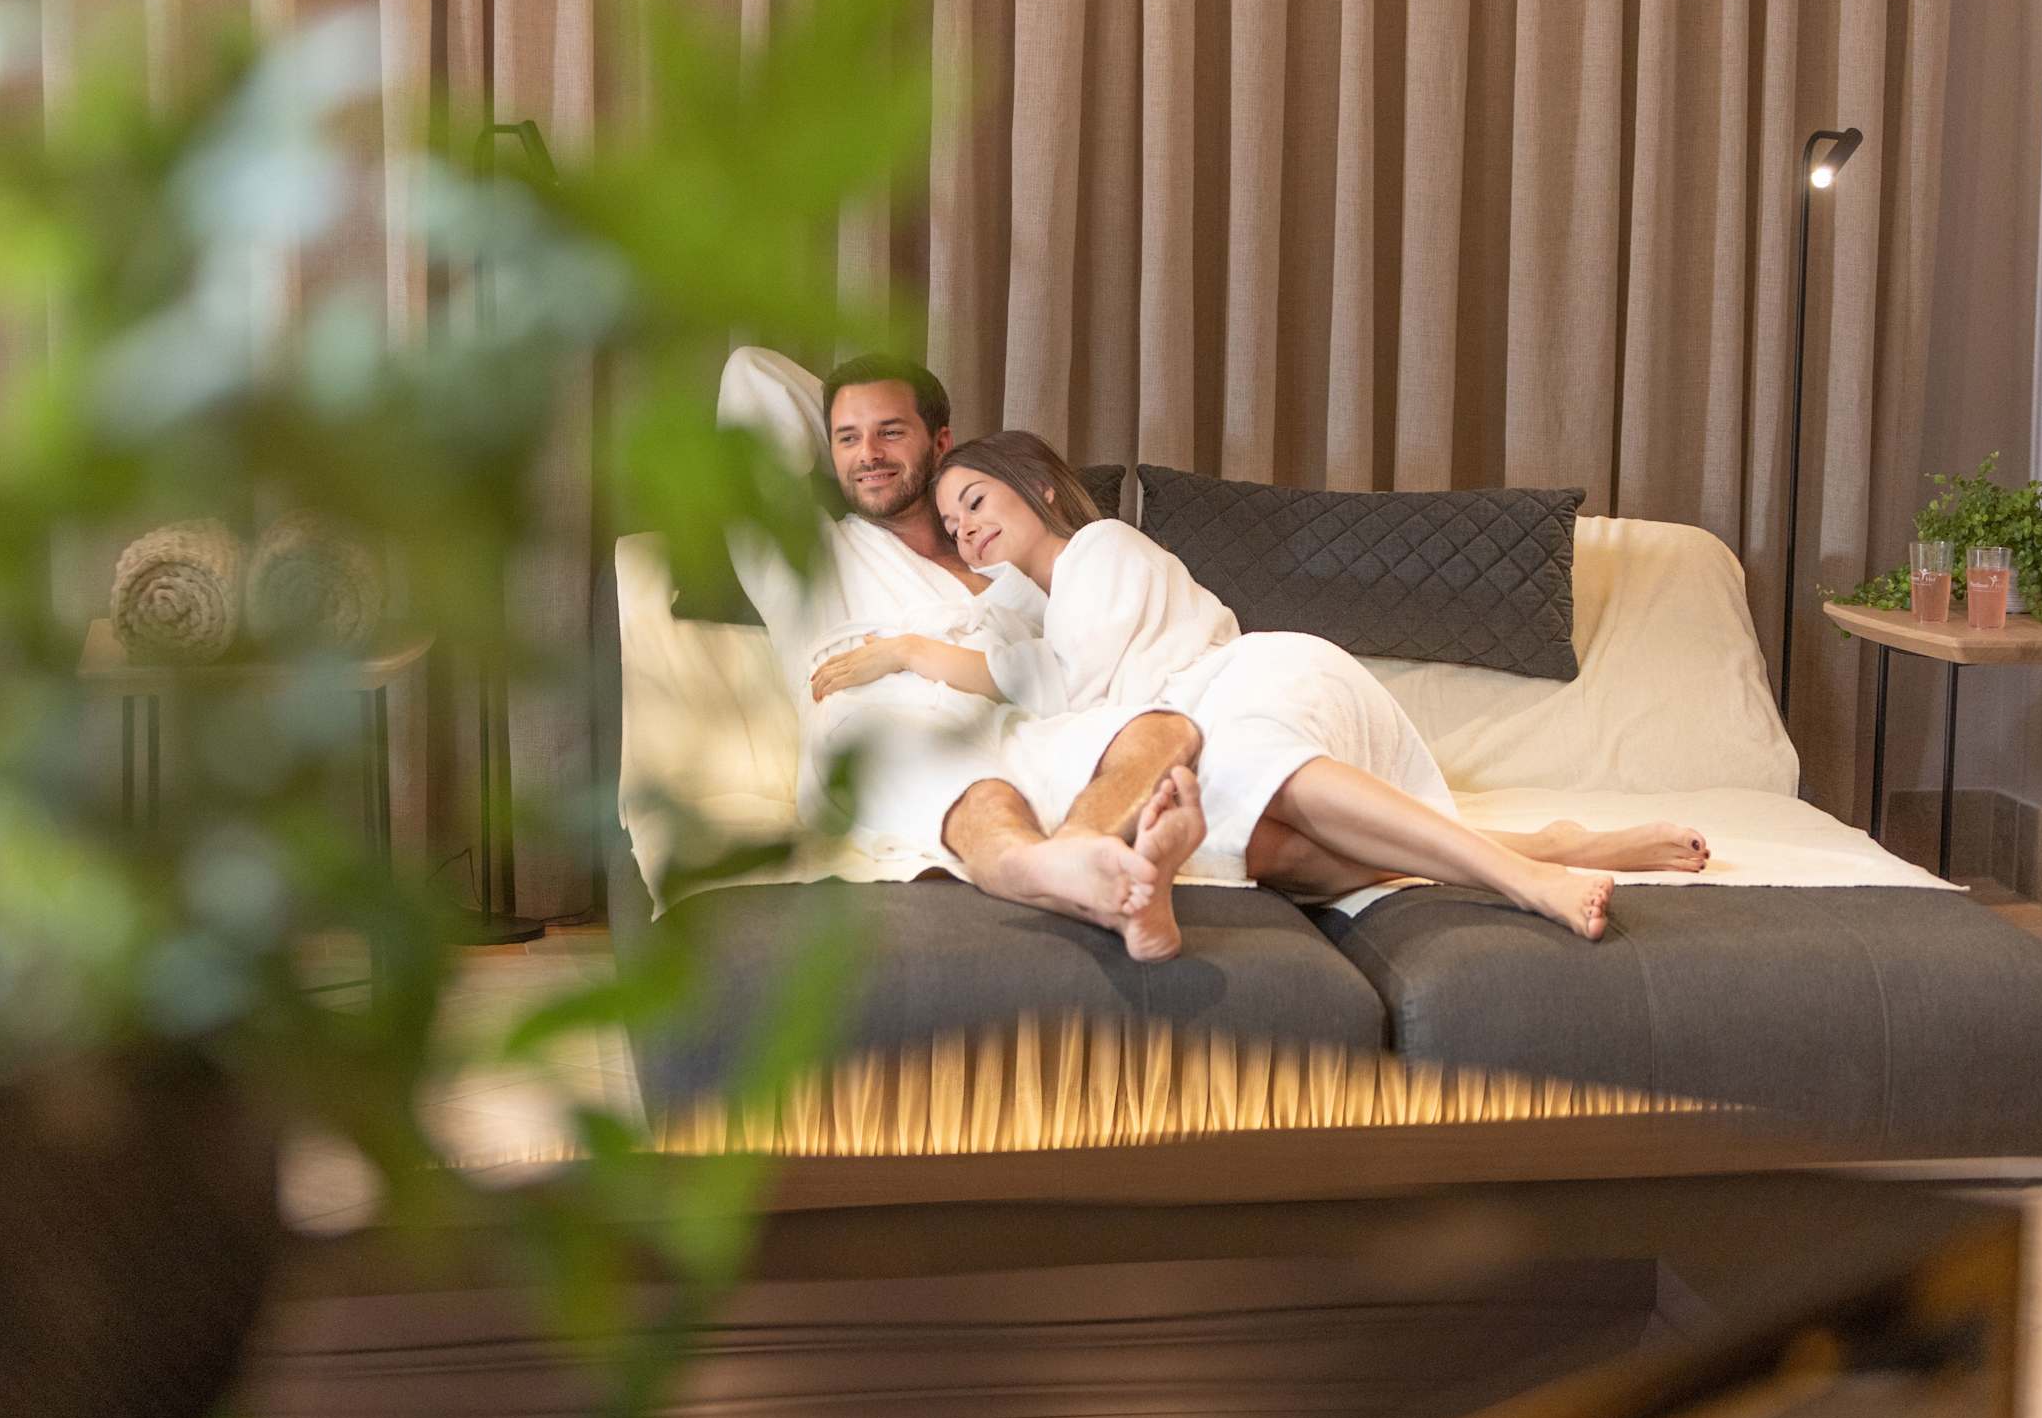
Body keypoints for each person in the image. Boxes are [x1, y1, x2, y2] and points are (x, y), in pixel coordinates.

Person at [814, 429, 1714, 945]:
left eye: (976, 502)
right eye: (950, 522)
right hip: (1200, 732)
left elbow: (1060, 690)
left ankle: (1524, 879)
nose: (964, 529)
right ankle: (1549, 843)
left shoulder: (1099, 549)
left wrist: (909, 651)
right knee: (1265, 853)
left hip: (1253, 680)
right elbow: (1016, 664)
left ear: (1040, 487)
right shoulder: (1035, 606)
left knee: (1246, 762)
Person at [717, 349, 1209, 960]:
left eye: (891, 432)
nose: (868, 454)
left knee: (1164, 729)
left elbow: (1079, 674)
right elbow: (751, 378)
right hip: (890, 724)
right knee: (983, 791)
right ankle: (1051, 869)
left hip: (1024, 729)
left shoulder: (1011, 569)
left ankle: (1085, 860)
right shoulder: (805, 554)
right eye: (847, 438)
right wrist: (857, 416)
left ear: (941, 442)